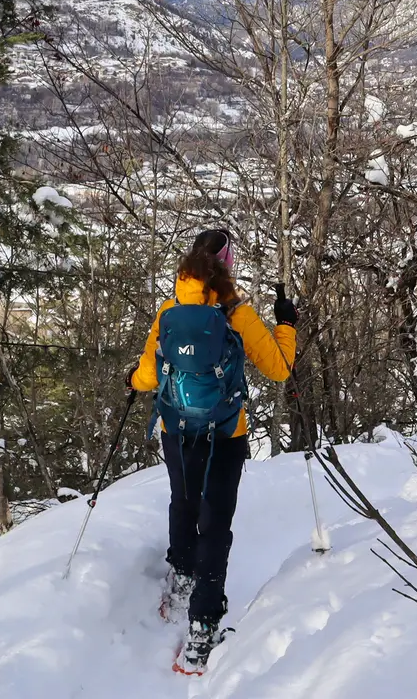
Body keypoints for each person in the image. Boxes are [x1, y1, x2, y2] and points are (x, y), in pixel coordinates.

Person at [128, 228, 297, 674]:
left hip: (175, 427)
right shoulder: (237, 314)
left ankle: (180, 580)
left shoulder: (169, 311)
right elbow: (279, 369)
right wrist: (286, 323)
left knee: (183, 501)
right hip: (224, 432)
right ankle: (203, 628)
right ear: (227, 266)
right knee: (216, 521)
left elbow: (148, 376)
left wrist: (133, 380)